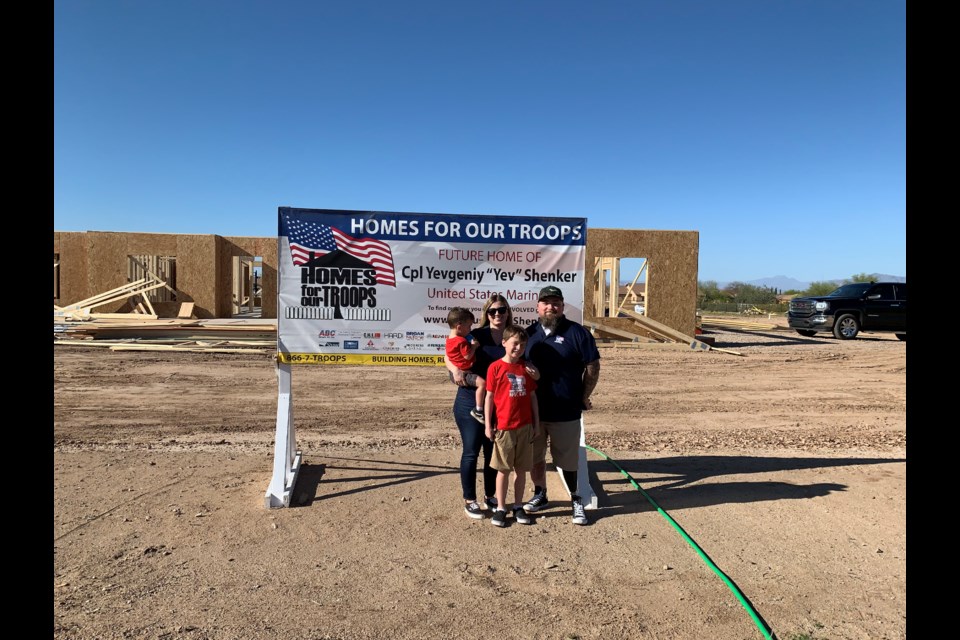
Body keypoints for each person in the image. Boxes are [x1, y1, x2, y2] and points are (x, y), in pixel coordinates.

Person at [523, 285, 601, 526]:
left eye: (556, 302)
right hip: (534, 411)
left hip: (565, 410)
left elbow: (592, 367)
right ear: (537, 306)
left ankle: (576, 500)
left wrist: (583, 395)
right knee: (535, 458)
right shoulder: (528, 334)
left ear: (563, 306)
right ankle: (540, 494)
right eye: (546, 302)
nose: (551, 307)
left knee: (568, 460)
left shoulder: (578, 333)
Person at [445, 294, 513, 519]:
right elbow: (448, 352)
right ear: (486, 314)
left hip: (500, 403)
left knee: (492, 452)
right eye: (492, 311)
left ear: (507, 312)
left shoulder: (513, 335)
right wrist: (453, 370)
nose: (497, 315)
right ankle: (470, 499)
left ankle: (491, 496)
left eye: (501, 310)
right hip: (469, 402)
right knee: (471, 452)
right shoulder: (476, 335)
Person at [484, 324, 541, 527]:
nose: (518, 348)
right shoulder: (495, 368)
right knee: (503, 470)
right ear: (504, 343)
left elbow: (533, 397)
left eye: (522, 344)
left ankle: (518, 506)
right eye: (515, 343)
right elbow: (489, 397)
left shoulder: (526, 368)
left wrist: (536, 423)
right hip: (504, 428)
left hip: (525, 427)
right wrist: (488, 425)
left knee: (521, 470)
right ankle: (501, 507)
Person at [445, 308, 486, 423]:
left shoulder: (449, 339)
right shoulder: (461, 341)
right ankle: (478, 410)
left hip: (456, 372)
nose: (470, 329)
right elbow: (467, 356)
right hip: (463, 373)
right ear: (459, 327)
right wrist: (474, 346)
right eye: (469, 326)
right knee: (482, 384)